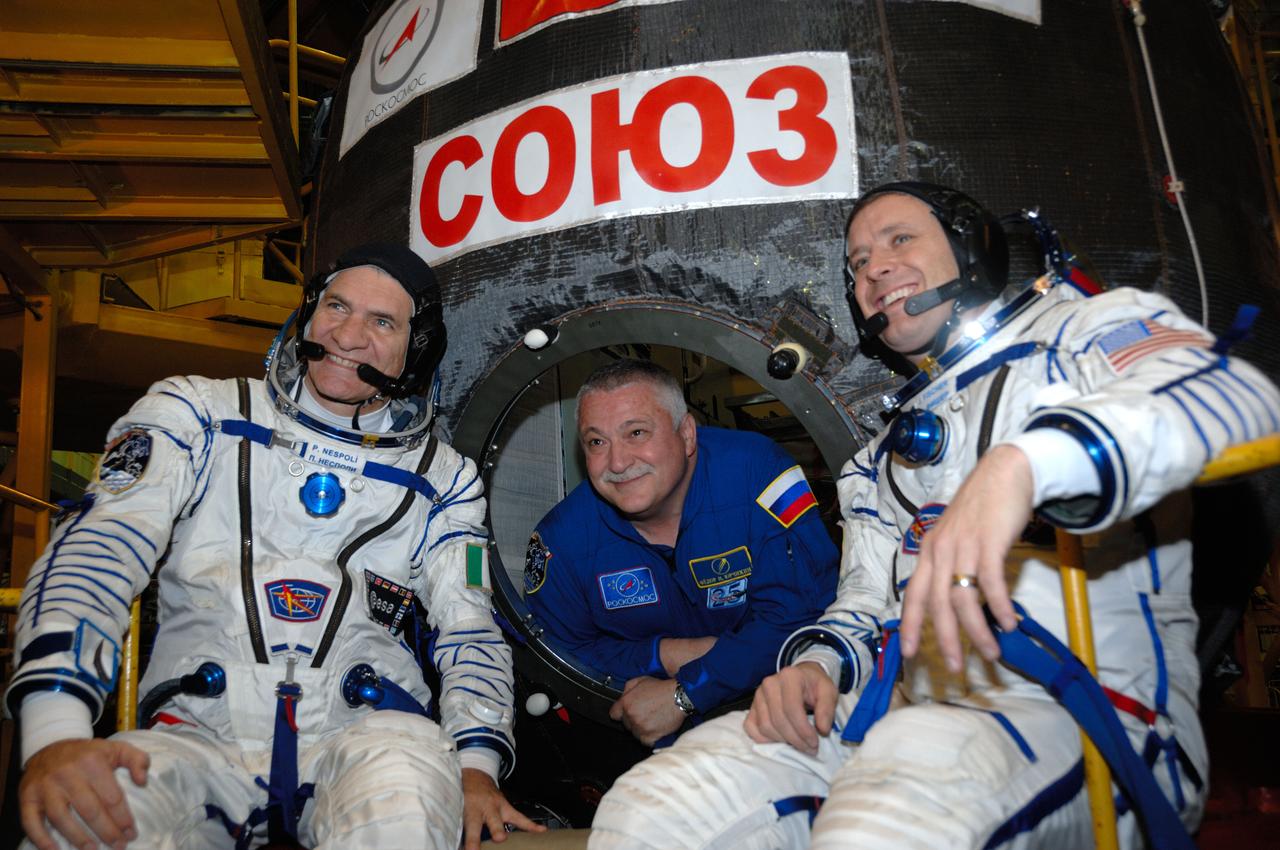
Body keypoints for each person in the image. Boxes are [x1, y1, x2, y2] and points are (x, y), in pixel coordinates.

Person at [587, 182, 1280, 849]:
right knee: (654, 809)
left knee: (886, 820)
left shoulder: (1081, 332)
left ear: (970, 247)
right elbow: (859, 608)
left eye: (899, 239)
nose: (874, 268)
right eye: (858, 262)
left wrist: (1027, 465)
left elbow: (1236, 395)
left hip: (1087, 720)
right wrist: (816, 668)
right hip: (898, 717)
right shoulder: (883, 458)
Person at [8, 243, 543, 850]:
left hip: (367, 741)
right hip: (197, 735)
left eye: (382, 321)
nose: (348, 334)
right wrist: (55, 729)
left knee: (406, 804)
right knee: (82, 823)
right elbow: (103, 546)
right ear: (309, 314)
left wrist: (476, 763)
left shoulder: (446, 481)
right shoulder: (198, 414)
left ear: (414, 351)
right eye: (337, 306)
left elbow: (469, 624)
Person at [524, 359, 838, 745]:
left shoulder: (758, 473)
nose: (618, 463)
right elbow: (561, 655)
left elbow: (805, 615)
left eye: (636, 432)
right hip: (638, 738)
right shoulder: (563, 540)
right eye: (596, 442)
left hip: (780, 712)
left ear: (687, 434)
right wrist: (664, 654)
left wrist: (687, 691)